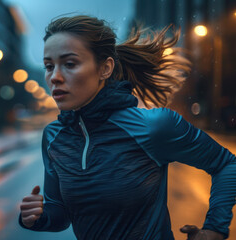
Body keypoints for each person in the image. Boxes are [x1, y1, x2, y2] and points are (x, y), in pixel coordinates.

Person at [18, 15, 236, 240]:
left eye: (70, 64)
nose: (55, 77)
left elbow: (227, 164)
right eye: (49, 66)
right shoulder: (54, 137)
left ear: (105, 68)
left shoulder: (153, 126)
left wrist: (215, 230)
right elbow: (61, 214)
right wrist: (38, 217)